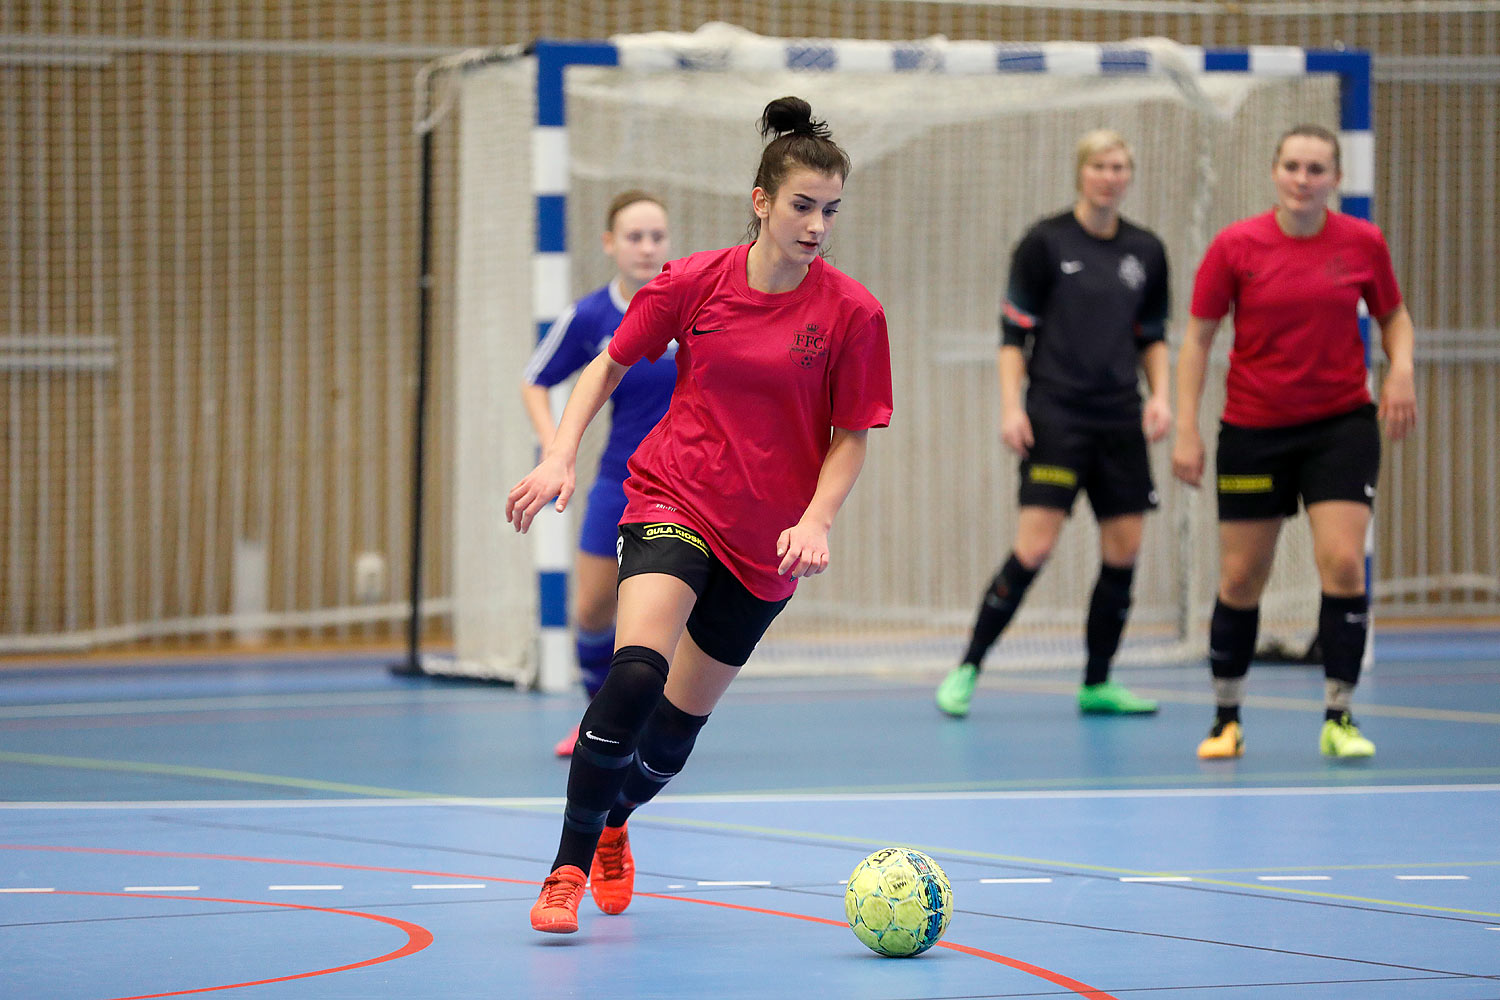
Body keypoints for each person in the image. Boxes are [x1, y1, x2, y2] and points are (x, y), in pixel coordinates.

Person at [506, 96, 893, 934]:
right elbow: (607, 365)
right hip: (673, 498)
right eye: (802, 206)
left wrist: (819, 517)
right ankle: (564, 871)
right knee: (635, 671)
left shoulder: (853, 315)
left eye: (831, 210)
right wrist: (562, 452)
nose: (817, 225)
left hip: (769, 544)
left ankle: (617, 823)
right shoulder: (691, 282)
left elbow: (851, 436)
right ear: (761, 201)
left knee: (672, 741)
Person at [1172, 123, 1417, 760]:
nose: (1304, 180)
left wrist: (1403, 370)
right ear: (1275, 173)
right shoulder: (1236, 247)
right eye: (1293, 167)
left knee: (1340, 562)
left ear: (1336, 178)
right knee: (1240, 577)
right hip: (1254, 429)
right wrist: (1187, 429)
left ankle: (1341, 715)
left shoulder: (1362, 243)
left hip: (1341, 425)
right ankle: (1226, 718)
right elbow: (1196, 339)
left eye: (1317, 169)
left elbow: (1392, 316)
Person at [934, 129, 1172, 719]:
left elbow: (1153, 338)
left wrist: (1160, 397)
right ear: (1081, 172)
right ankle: (968, 667)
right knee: (1034, 547)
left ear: (1129, 175)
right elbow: (1014, 336)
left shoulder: (1146, 251)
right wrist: (1012, 407)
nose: (1110, 176)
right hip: (1057, 415)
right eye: (1099, 165)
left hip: (1119, 418)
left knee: (1124, 551)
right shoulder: (1044, 243)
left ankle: (1097, 682)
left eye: (1119, 166)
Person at [521, 191, 674, 757]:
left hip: (687, 486)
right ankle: (597, 717)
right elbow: (535, 378)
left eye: (657, 236)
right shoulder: (591, 317)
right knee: (591, 610)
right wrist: (553, 446)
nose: (647, 247)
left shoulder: (695, 307)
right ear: (610, 244)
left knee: (662, 617)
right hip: (620, 481)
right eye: (634, 237)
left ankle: (653, 722)